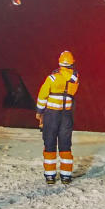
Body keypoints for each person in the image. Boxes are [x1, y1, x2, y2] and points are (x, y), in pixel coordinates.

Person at [35, 50, 80, 185]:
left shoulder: (52, 78)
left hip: (51, 115)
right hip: (66, 115)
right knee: (65, 144)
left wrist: (39, 112)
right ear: (72, 63)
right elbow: (71, 85)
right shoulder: (75, 78)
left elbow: (42, 96)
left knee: (49, 143)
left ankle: (50, 176)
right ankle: (66, 176)